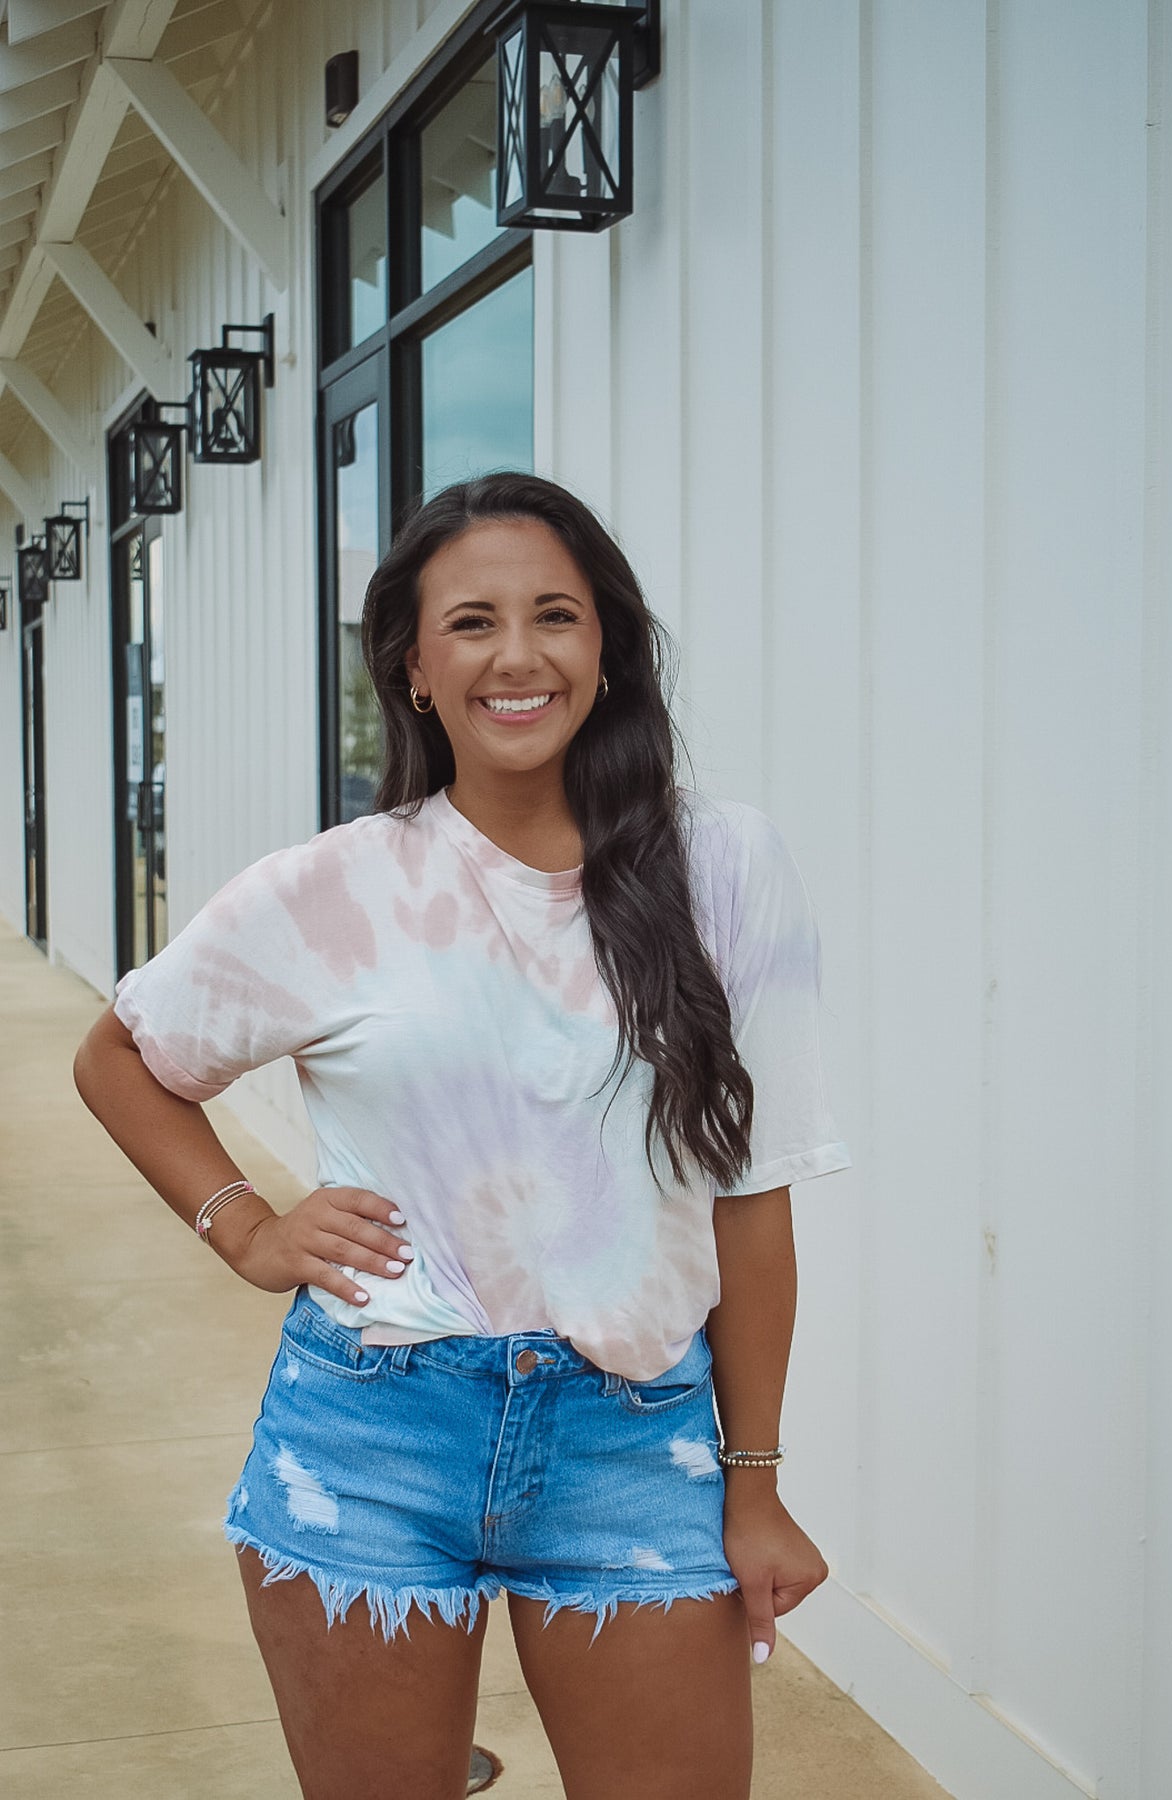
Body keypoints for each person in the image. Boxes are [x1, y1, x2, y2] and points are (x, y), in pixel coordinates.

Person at [74, 471, 852, 1800]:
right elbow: (122, 1060)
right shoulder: (332, 888)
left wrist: (756, 1483)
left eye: (555, 615)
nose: (517, 655)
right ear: (415, 669)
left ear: (605, 648)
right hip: (367, 1438)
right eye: (472, 623)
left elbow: (751, 1200)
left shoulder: (724, 866)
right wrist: (245, 1225)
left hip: (632, 1439)